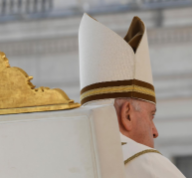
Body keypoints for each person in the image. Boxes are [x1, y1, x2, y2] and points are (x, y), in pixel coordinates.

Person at [78, 13, 185, 178]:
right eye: (151, 115)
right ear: (127, 114)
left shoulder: (57, 159)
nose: (155, 131)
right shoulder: (149, 164)